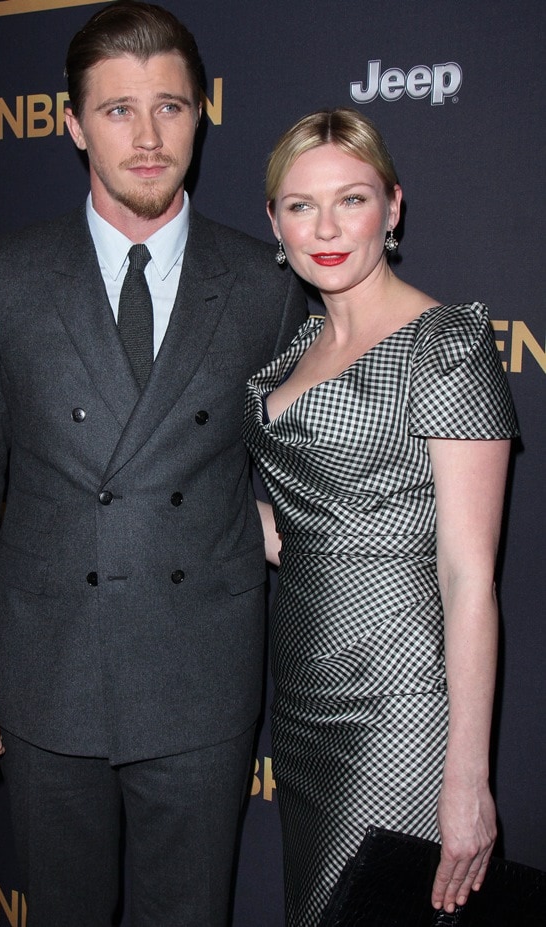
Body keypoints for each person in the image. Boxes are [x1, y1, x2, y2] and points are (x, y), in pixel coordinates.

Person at [0, 3, 306, 925]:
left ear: (201, 115)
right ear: (71, 125)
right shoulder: (5, 274)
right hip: (45, 667)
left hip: (201, 671)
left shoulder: (265, 280)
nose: (147, 138)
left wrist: (274, 521)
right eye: (117, 111)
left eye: (170, 108)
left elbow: (303, 459)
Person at [242, 107, 519, 926]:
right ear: (274, 220)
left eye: (351, 199)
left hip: (399, 707)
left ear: (392, 208)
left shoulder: (446, 344)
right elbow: (300, 524)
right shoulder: (296, 350)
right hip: (299, 699)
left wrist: (466, 779)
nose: (325, 227)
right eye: (300, 205)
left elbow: (470, 576)